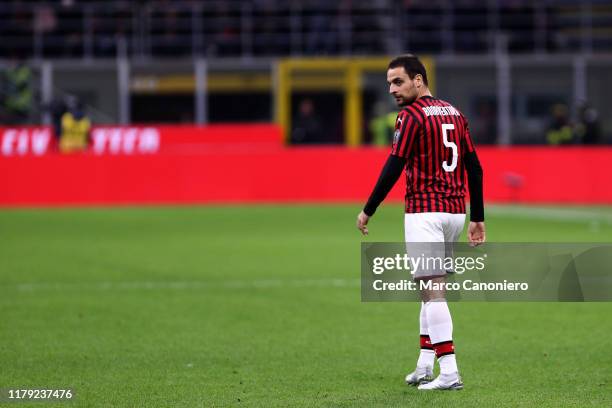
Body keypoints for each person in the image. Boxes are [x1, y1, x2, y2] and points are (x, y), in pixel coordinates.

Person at [355, 54, 485, 391]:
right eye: (389, 84)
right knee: (428, 292)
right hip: (455, 213)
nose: (392, 90)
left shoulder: (409, 117)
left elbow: (394, 166)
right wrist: (478, 217)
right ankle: (425, 365)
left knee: (433, 290)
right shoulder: (455, 112)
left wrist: (369, 209)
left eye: (398, 81)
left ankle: (450, 372)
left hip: (425, 212)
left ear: (418, 79)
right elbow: (475, 167)